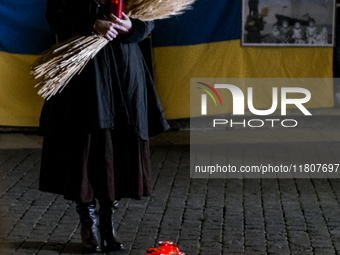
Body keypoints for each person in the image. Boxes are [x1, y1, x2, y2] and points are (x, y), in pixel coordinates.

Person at [38, 0, 170, 253]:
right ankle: (89, 224)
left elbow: (151, 17)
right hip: (85, 72)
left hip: (125, 69)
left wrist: (132, 26)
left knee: (119, 144)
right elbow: (55, 16)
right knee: (85, 146)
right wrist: (91, 24)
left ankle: (108, 224)